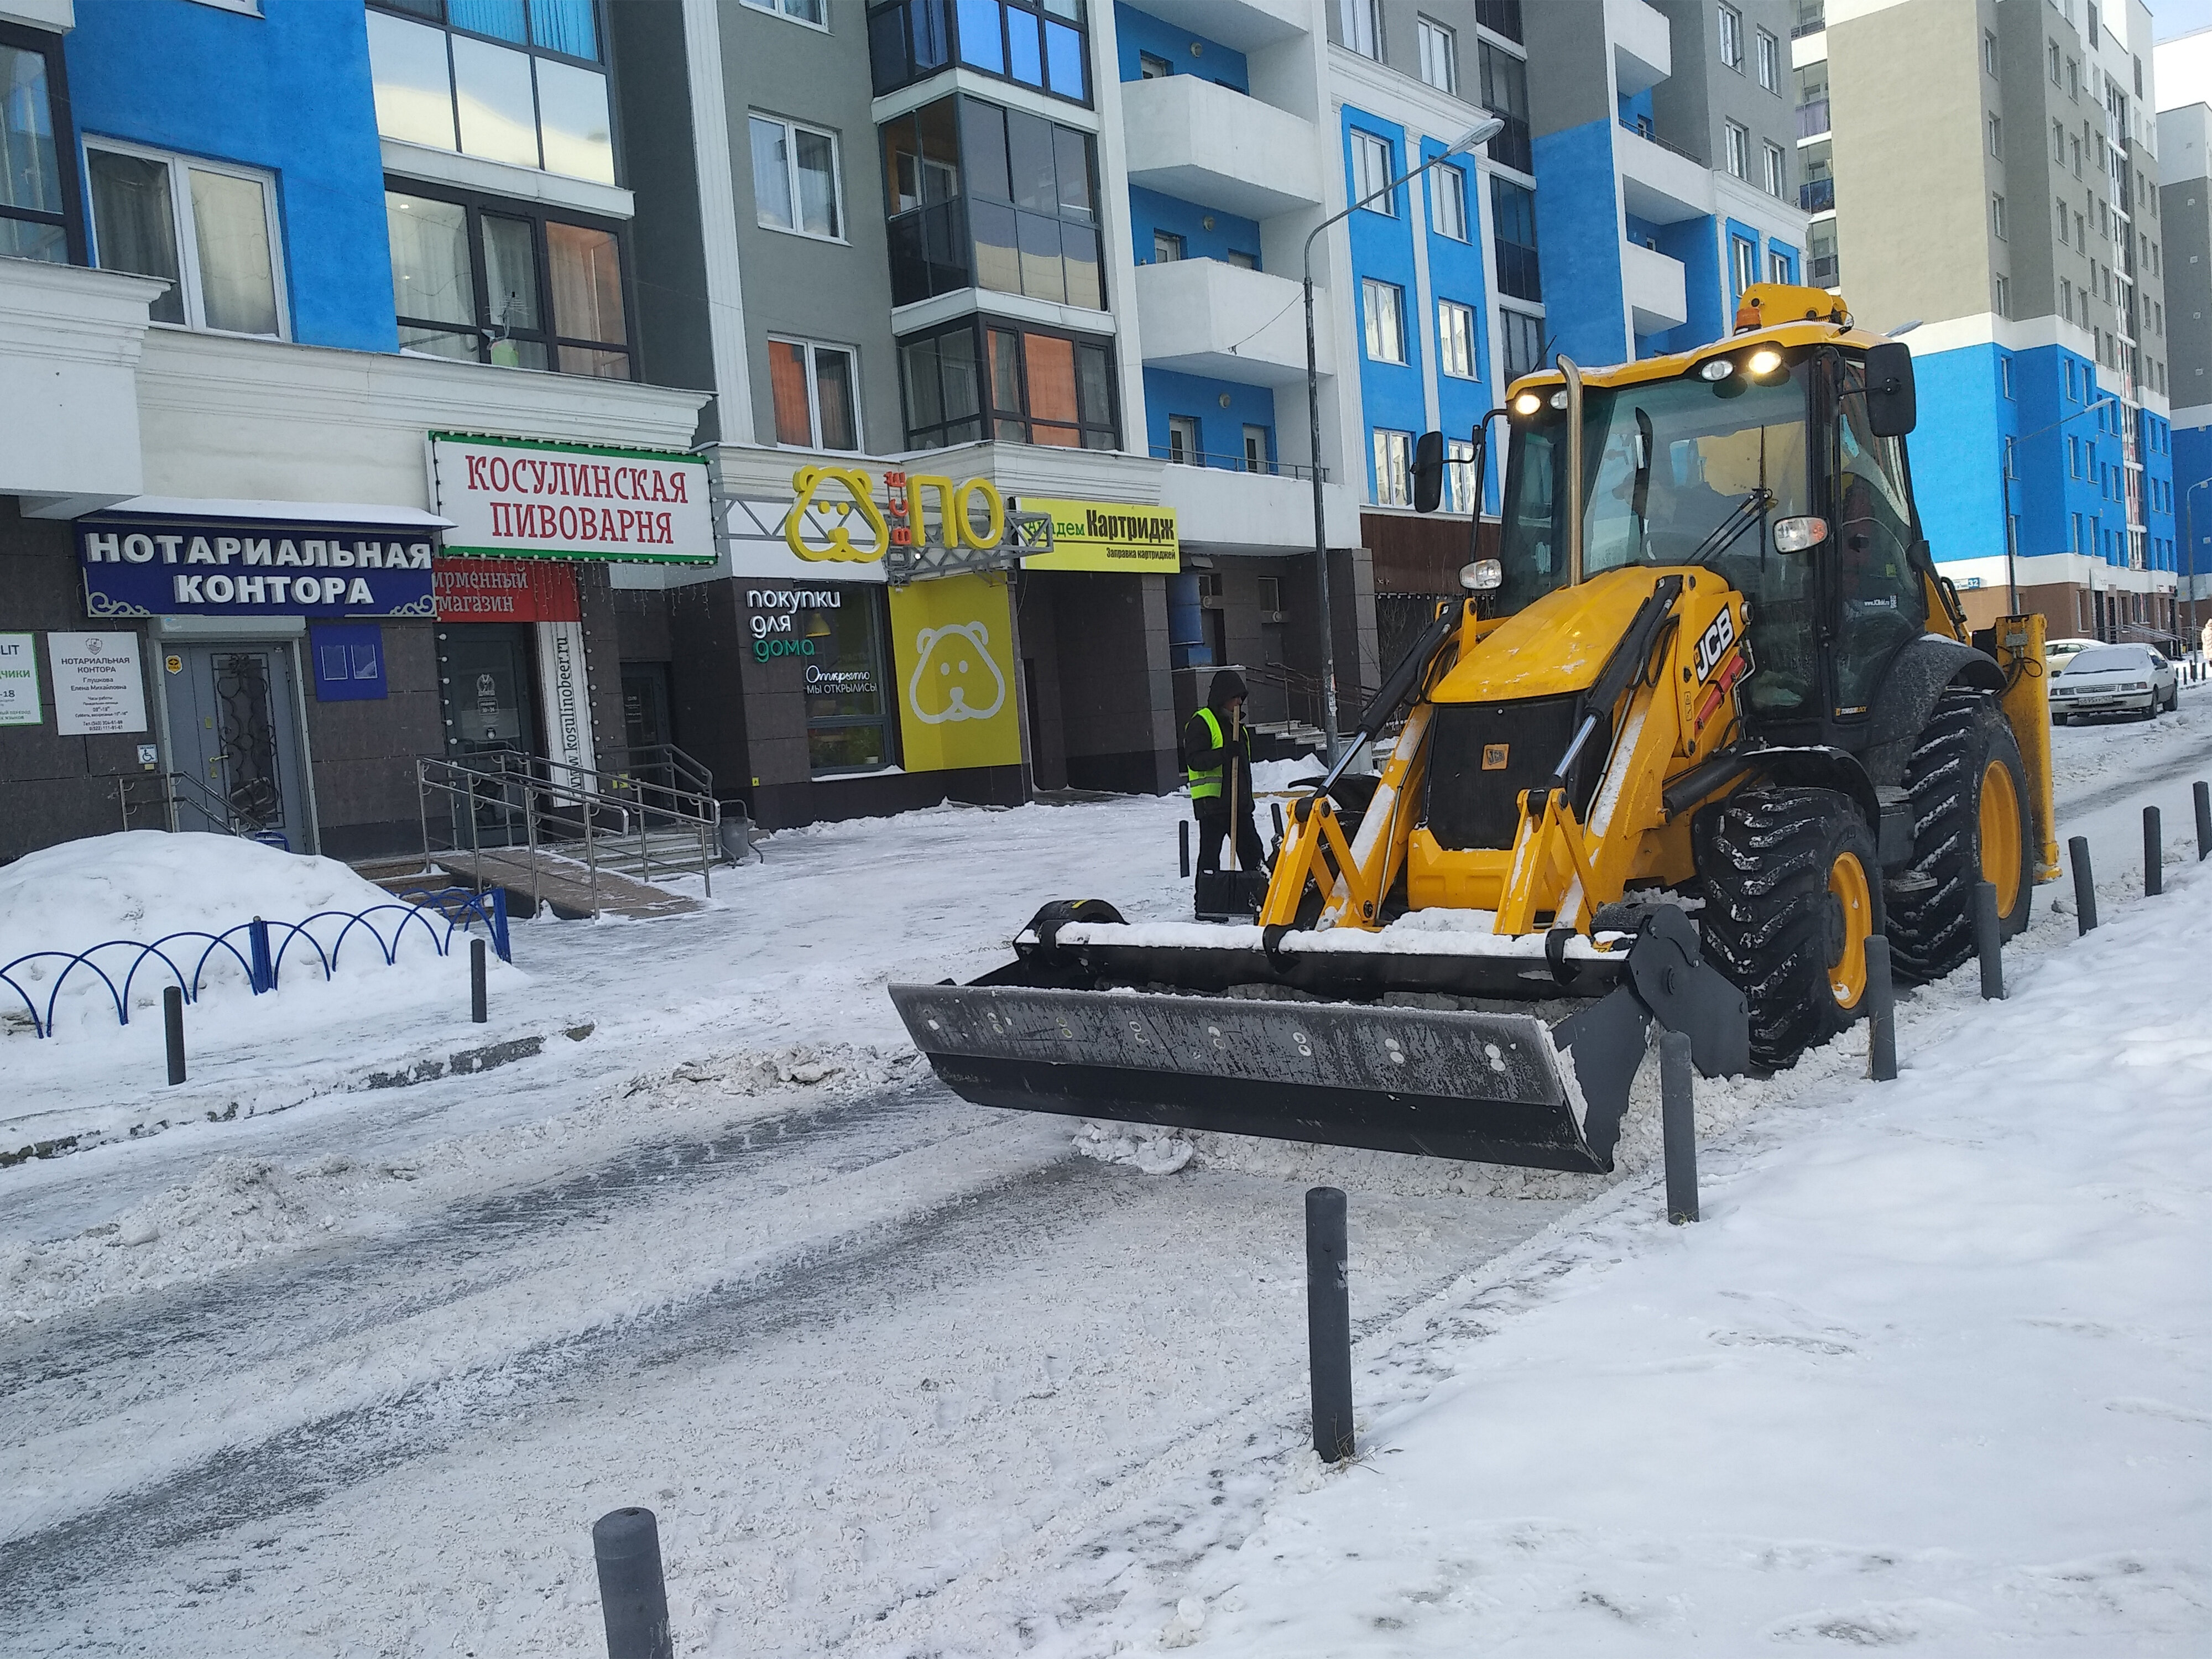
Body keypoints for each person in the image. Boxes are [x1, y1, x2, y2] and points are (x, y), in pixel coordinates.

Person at [1184, 667, 1264, 876]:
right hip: (1213, 807)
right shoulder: (1202, 722)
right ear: (1222, 697)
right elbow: (1194, 760)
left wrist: (1247, 802)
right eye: (1235, 697)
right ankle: (1206, 904)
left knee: (1255, 857)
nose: (1239, 702)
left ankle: (1260, 899)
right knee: (1210, 861)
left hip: (1240, 806)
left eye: (1241, 697)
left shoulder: (1238, 727)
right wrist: (1224, 754)